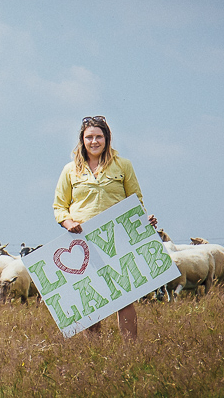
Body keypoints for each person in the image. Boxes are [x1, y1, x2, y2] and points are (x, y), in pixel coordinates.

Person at [52, 115, 156, 340]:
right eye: (89, 137)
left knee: (125, 293)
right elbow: (60, 206)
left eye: (99, 136)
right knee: (91, 296)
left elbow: (135, 199)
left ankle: (131, 350)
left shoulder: (123, 165)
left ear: (107, 139)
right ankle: (94, 351)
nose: (94, 141)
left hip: (118, 238)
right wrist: (69, 223)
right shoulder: (70, 170)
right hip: (83, 241)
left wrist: (144, 219)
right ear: (82, 140)